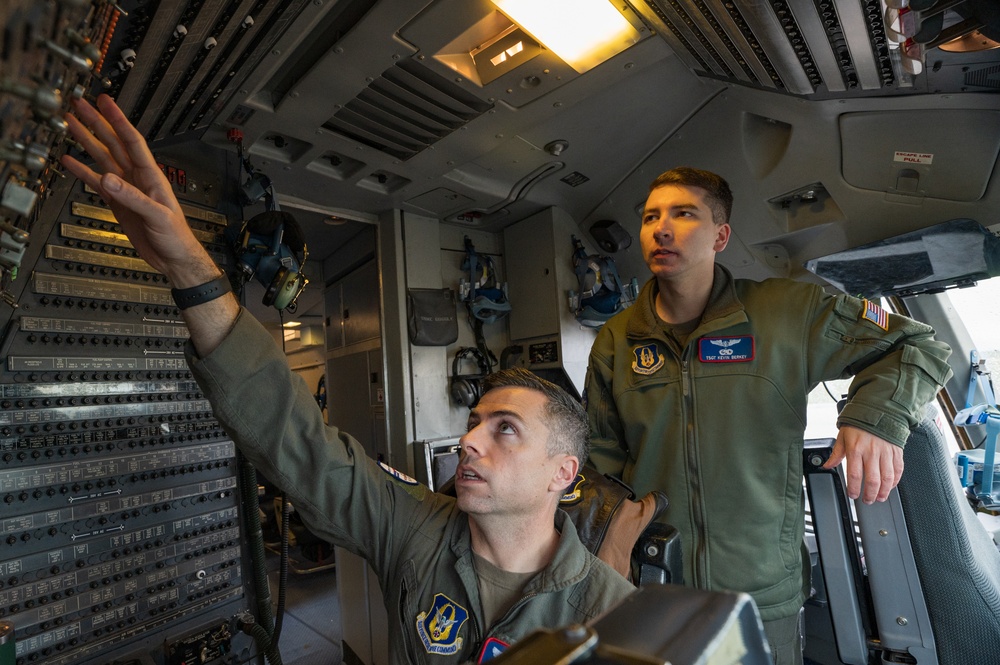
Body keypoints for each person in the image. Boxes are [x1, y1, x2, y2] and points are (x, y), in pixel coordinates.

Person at [61, 94, 635, 663]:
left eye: (505, 429)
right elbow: (301, 444)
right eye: (475, 421)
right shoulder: (415, 529)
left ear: (563, 472)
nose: (469, 440)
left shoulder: (613, 612)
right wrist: (189, 267)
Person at [584, 167, 953, 664]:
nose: (661, 228)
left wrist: (873, 417)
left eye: (683, 214)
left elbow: (916, 344)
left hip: (760, 587)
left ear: (720, 235)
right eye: (651, 217)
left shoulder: (789, 310)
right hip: (651, 580)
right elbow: (601, 456)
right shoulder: (615, 338)